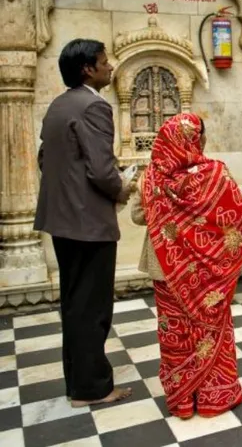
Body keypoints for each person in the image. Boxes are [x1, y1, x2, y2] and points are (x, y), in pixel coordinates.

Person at [34, 39, 134, 407]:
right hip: (88, 222)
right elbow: (101, 170)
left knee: (75, 304)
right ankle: (93, 388)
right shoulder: (94, 105)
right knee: (92, 308)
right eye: (104, 62)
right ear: (87, 69)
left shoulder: (59, 105)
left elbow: (45, 158)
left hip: (62, 219)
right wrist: (122, 187)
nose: (110, 67)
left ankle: (78, 384)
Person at [133, 113, 242, 418]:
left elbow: (137, 217)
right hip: (210, 272)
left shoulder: (151, 177)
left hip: (166, 268)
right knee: (210, 328)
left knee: (175, 330)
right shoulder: (216, 174)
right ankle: (215, 396)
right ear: (197, 140)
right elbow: (234, 217)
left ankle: (182, 401)